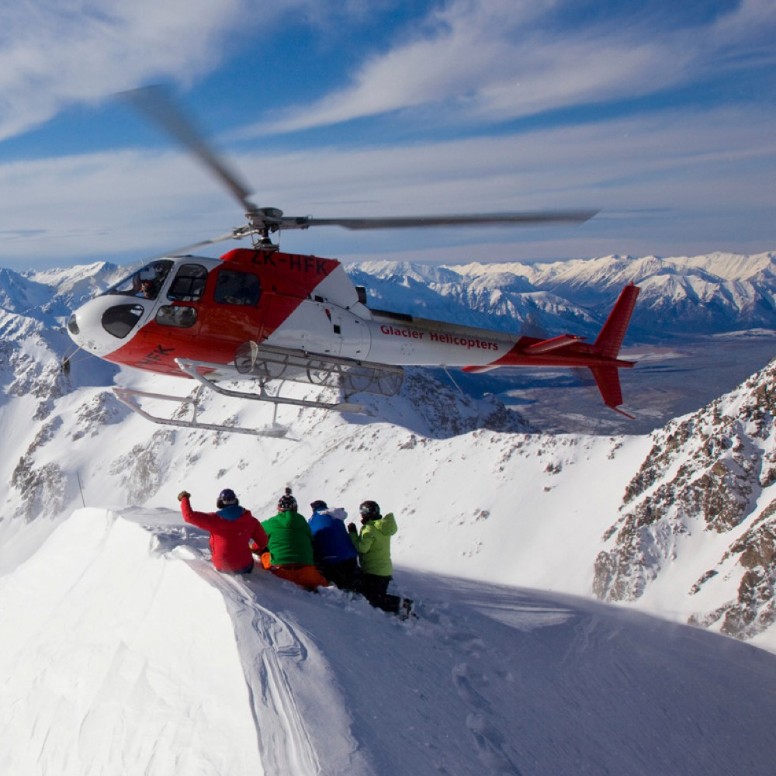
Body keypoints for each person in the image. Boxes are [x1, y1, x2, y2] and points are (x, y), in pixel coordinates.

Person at [178, 488, 268, 575]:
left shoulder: (214, 520)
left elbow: (189, 516)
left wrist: (184, 498)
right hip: (245, 566)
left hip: (222, 566)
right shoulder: (250, 520)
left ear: (220, 503)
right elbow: (263, 542)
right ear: (236, 501)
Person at [260, 488, 330, 591]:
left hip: (281, 571)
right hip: (306, 571)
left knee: (264, 556)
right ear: (296, 508)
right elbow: (311, 540)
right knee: (326, 586)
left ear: (279, 508)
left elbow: (256, 536)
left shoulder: (269, 524)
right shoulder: (303, 522)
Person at [348, 500, 399, 612]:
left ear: (366, 514)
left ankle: (401, 605)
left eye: (362, 513)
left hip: (374, 570)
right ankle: (401, 606)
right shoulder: (382, 526)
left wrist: (353, 533)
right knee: (375, 595)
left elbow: (362, 548)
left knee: (374, 599)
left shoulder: (370, 529)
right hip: (383, 570)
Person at [308, 500, 360, 591]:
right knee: (353, 582)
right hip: (350, 557)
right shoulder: (336, 515)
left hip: (330, 561)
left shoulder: (311, 521)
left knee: (340, 584)